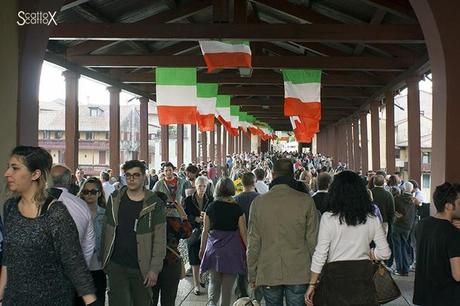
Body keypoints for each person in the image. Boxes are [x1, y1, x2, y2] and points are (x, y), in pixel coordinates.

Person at [0, 146, 97, 306]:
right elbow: (9, 258)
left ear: (35, 174)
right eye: (8, 167)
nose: (7, 173)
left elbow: (74, 262)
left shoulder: (55, 212)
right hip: (14, 299)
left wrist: (91, 301)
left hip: (52, 299)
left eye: (15, 168)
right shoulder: (10, 207)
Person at [305, 171, 391, 306]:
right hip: (362, 279)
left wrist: (312, 284)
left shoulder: (328, 218)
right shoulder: (371, 219)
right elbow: (385, 253)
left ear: (335, 192)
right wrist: (370, 253)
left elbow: (320, 254)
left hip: (335, 280)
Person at [247, 159, 319, 306]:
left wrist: (252, 274)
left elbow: (253, 243)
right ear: (293, 175)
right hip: (299, 271)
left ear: (273, 175)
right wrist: (316, 275)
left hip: (269, 270)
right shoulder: (306, 201)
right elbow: (313, 241)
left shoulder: (258, 203)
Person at [101, 160, 166, 306]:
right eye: (128, 175)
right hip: (116, 265)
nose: (131, 178)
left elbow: (160, 240)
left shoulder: (155, 203)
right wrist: (105, 261)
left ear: (144, 177)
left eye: (136, 175)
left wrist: (154, 269)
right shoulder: (115, 199)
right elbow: (107, 230)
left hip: (141, 268)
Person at [200, 178, 247, 306]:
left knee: (214, 281)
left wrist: (202, 249)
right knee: (227, 287)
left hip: (214, 249)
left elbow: (205, 231)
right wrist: (248, 250)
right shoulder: (237, 209)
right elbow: (243, 232)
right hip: (232, 250)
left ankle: (211, 303)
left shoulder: (211, 207)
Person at [413, 182, 460, 306]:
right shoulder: (453, 233)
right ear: (449, 206)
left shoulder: (422, 224)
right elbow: (458, 275)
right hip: (447, 298)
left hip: (424, 296)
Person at [49, 165, 96, 266]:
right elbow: (88, 244)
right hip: (72, 269)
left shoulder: (32, 202)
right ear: (69, 180)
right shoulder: (81, 205)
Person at [151, 191, 192, 306]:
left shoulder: (146, 223)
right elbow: (187, 232)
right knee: (168, 301)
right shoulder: (173, 222)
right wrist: (183, 215)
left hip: (151, 266)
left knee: (150, 300)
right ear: (166, 207)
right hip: (171, 264)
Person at [78, 177, 107, 306]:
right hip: (80, 268)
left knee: (98, 301)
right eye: (85, 192)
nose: (89, 195)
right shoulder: (75, 213)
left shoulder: (106, 215)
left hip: (99, 267)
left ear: (99, 193)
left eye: (93, 192)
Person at [183, 176, 213, 295]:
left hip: (207, 230)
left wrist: (207, 220)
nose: (202, 188)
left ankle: (201, 276)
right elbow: (184, 216)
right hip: (193, 230)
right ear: (195, 186)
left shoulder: (211, 199)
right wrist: (195, 218)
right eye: (200, 186)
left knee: (207, 253)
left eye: (204, 186)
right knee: (194, 252)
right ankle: (196, 284)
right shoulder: (188, 200)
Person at [234, 172, 259, 300]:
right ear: (254, 183)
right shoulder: (260, 198)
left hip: (238, 237)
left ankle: (241, 293)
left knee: (241, 265)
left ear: (241, 183)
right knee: (255, 264)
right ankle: (255, 294)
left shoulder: (235, 200)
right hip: (256, 236)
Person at [392, 181, 417, 276]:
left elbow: (392, 211)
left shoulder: (397, 199)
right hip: (408, 227)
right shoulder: (413, 201)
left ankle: (399, 269)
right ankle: (405, 269)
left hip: (397, 225)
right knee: (405, 247)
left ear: (403, 189)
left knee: (398, 248)